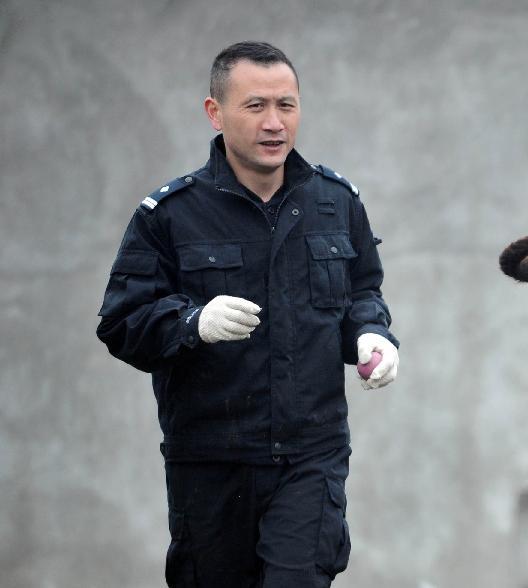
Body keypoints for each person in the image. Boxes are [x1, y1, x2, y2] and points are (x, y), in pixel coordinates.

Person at [96, 41, 399, 587]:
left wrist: (372, 335)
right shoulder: (170, 215)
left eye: (287, 105)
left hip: (311, 457)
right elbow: (122, 321)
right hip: (211, 464)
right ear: (215, 113)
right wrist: (192, 323)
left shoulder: (335, 201)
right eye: (255, 106)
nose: (274, 122)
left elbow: (362, 291)